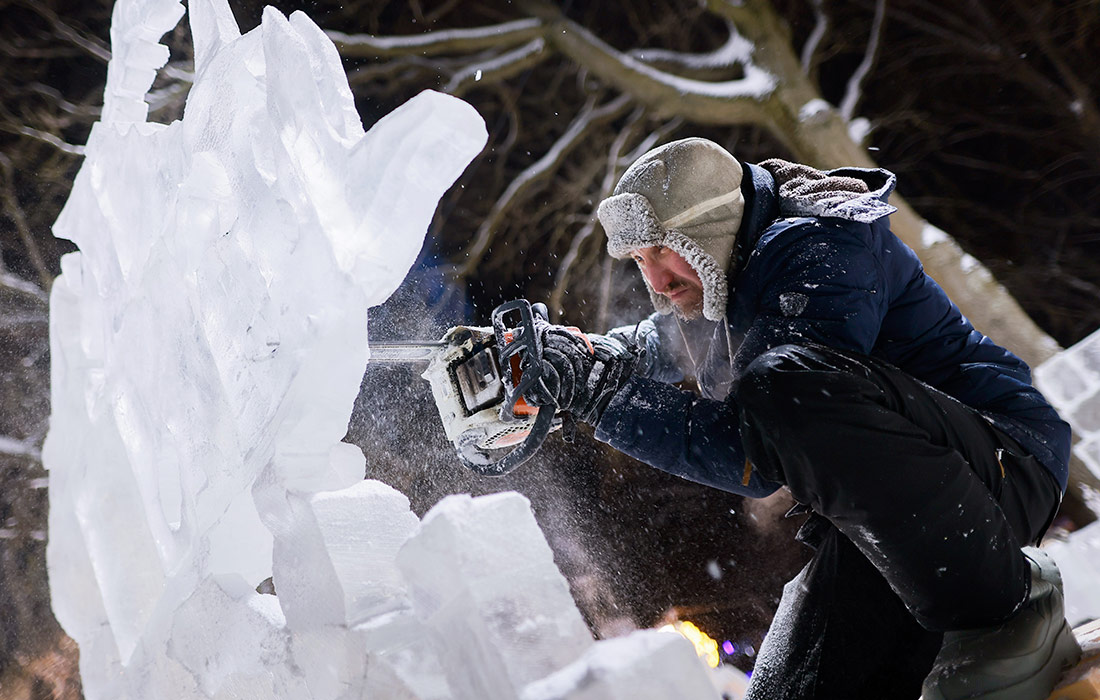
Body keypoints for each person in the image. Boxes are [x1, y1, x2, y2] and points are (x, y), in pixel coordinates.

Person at [514, 137, 1082, 699]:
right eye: (641, 260)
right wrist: (586, 357)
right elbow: (659, 340)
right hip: (902, 510)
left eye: (663, 250)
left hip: (1001, 461)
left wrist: (599, 396)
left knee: (779, 384)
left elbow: (756, 449)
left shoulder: (820, 248)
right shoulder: (733, 275)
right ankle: (977, 603)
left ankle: (1002, 611)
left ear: (709, 227)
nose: (656, 281)